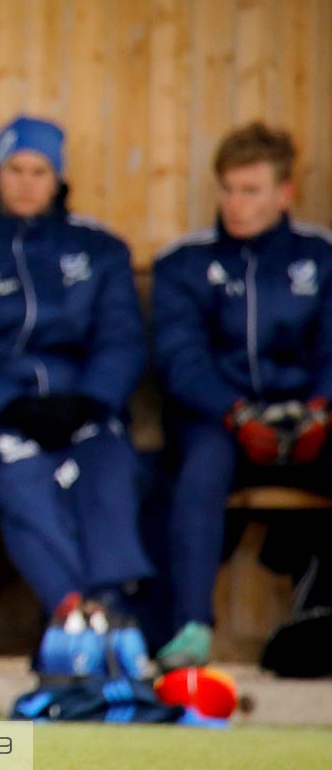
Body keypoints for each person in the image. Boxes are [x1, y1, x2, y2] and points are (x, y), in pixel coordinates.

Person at [0, 116, 153, 653]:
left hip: (83, 408)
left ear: (58, 177)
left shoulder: (99, 249)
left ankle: (106, 607)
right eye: (15, 170)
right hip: (1, 415)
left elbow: (122, 341)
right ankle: (76, 612)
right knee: (23, 481)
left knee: (110, 469)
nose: (27, 182)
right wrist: (8, 405)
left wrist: (91, 401)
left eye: (39, 171)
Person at [151, 122, 332, 670]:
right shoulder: (184, 261)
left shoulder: (321, 257)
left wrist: (320, 410)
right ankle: (188, 630)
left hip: (308, 420)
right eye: (228, 189)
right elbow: (181, 361)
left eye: (251, 190)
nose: (236, 203)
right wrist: (235, 413)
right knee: (199, 469)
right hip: (219, 421)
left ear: (284, 194)